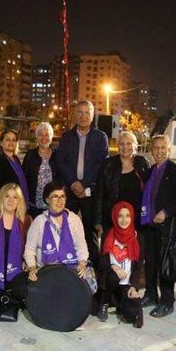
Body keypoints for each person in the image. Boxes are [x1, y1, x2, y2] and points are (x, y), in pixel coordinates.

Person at [140, 135, 176, 318]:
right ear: (151, 150)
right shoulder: (150, 171)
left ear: (169, 150)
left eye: (163, 148)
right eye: (156, 148)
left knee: (164, 265)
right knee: (151, 263)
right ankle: (150, 294)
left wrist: (166, 211)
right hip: (149, 225)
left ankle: (167, 301)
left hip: (168, 227)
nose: (159, 151)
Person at [56, 101, 109, 265]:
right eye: (80, 112)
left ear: (93, 115)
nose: (84, 116)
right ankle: (65, 263)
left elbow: (101, 164)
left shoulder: (101, 137)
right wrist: (73, 183)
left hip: (90, 192)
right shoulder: (66, 137)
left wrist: (84, 184)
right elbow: (61, 162)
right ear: (74, 114)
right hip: (70, 192)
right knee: (65, 229)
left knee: (90, 231)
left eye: (87, 112)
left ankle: (93, 269)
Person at [24, 181, 92, 287]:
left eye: (62, 197)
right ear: (47, 200)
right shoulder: (39, 221)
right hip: (46, 272)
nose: (60, 201)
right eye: (55, 197)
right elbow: (29, 250)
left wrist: (82, 265)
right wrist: (32, 268)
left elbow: (82, 247)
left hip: (71, 270)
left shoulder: (74, 219)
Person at [96, 202, 143, 327]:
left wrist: (133, 286)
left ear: (132, 217)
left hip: (126, 284)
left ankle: (120, 304)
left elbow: (138, 267)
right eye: (120, 216)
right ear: (115, 217)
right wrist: (113, 266)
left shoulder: (138, 237)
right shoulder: (108, 234)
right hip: (110, 280)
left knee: (132, 314)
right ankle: (104, 302)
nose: (124, 219)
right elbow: (101, 261)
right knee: (113, 276)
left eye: (127, 215)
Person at [94, 131, 150, 232]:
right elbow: (99, 193)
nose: (125, 147)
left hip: (137, 219)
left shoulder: (143, 163)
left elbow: (150, 190)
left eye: (129, 144)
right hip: (112, 218)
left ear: (135, 146)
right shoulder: (108, 164)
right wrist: (98, 221)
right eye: (122, 144)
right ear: (118, 146)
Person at [0, 128, 30, 212]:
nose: (11, 142)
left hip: (15, 203)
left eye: (14, 140)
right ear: (1, 142)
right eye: (8, 139)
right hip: (3, 206)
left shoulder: (15, 158)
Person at [22, 122, 59, 218]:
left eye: (47, 135)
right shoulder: (30, 154)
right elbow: (23, 178)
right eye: (40, 135)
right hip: (34, 205)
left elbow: (61, 178)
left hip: (53, 204)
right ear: (36, 137)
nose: (44, 138)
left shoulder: (58, 155)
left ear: (51, 137)